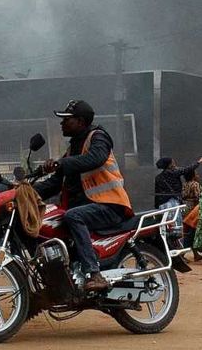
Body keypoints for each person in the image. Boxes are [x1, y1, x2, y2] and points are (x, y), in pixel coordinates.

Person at [34, 100, 132, 293]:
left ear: (80, 121)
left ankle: (94, 273)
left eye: (66, 120)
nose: (62, 124)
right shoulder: (73, 148)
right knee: (49, 219)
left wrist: (61, 163)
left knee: (73, 216)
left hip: (110, 205)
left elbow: (95, 158)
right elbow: (55, 183)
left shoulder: (98, 137)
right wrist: (26, 191)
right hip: (88, 208)